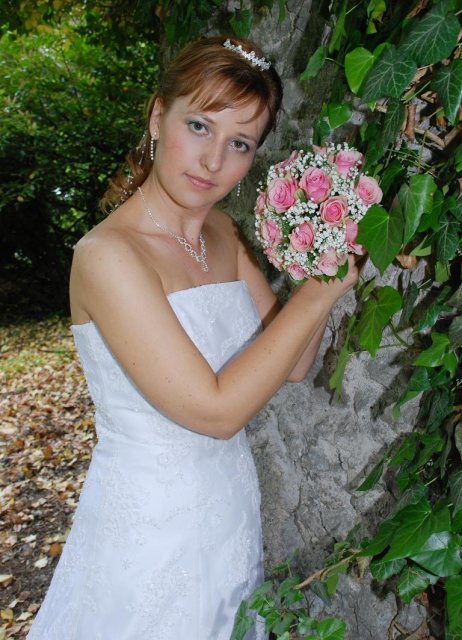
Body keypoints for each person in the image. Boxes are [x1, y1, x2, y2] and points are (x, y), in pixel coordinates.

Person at [27, 36, 360, 640]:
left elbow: (292, 362)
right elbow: (216, 412)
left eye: (240, 143)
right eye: (199, 126)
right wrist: (319, 294)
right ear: (158, 117)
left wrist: (323, 262)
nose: (212, 161)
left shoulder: (224, 233)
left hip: (229, 512)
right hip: (149, 531)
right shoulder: (107, 256)